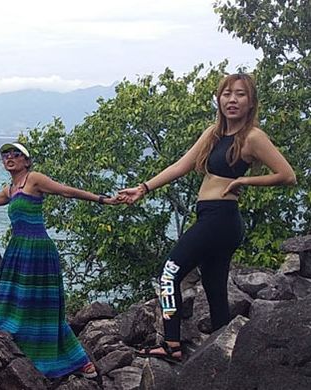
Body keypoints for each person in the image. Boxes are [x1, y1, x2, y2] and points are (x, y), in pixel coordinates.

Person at [119, 73, 296, 362]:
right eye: (227, 94)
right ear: (219, 99)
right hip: (212, 218)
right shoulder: (214, 133)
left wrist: (245, 182)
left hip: (220, 219)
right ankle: (225, 352)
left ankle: (172, 345)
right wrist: (143, 188)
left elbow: (287, 175)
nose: (232, 100)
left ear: (251, 103)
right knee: (215, 290)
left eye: (240, 94)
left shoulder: (252, 137)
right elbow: (181, 165)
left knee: (169, 274)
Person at [0, 142, 122, 379]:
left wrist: (102, 199)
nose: (9, 158)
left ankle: (77, 360)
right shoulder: (11, 189)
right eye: (5, 155)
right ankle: (22, 350)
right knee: (15, 301)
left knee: (45, 307)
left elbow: (66, 191)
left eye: (15, 154)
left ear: (26, 161)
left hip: (38, 249)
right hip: (18, 249)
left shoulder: (34, 179)